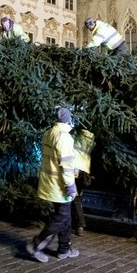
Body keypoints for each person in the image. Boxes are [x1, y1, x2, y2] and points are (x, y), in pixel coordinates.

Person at [27, 107, 79, 262]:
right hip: (60, 185)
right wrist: (70, 186)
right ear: (69, 119)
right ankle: (36, 245)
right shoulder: (64, 137)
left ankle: (64, 249)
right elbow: (66, 166)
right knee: (61, 218)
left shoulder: (49, 133)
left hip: (50, 182)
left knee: (65, 217)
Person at [70, 128, 95, 236]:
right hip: (84, 170)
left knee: (73, 198)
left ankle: (80, 224)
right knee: (77, 198)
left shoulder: (76, 135)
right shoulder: (91, 138)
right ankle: (78, 225)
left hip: (74, 169)